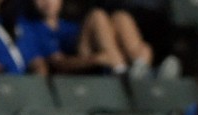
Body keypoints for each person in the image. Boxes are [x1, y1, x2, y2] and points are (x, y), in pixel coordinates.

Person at [17, 0, 152, 76]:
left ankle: (141, 65)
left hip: (102, 61)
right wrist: (98, 59)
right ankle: (120, 69)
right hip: (78, 72)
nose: (48, 2)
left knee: (121, 17)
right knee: (97, 16)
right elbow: (59, 64)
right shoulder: (30, 28)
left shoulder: (69, 26)